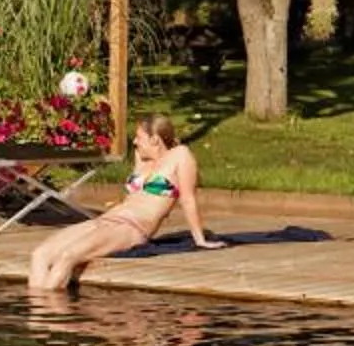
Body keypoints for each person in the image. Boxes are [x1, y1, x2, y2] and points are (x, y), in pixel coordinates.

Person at [25, 113, 222, 293]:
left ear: (154, 139)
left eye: (139, 137)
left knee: (68, 256)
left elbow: (188, 199)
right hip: (104, 221)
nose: (135, 142)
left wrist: (200, 239)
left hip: (130, 228)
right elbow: (133, 196)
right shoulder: (142, 158)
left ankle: (47, 317)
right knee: (39, 254)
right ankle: (38, 320)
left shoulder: (180, 156)